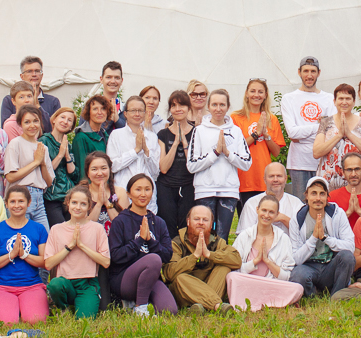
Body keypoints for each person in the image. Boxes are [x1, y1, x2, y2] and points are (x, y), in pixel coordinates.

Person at [106, 175, 178, 315]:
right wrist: (139, 241)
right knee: (153, 259)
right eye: (138, 189)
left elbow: (167, 255)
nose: (143, 194)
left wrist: (150, 241)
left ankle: (139, 302)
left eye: (147, 189)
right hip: (124, 279)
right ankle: (141, 308)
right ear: (129, 194)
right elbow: (116, 256)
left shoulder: (158, 222)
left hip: (151, 279)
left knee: (170, 311)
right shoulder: (120, 221)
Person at [187, 88, 252, 241]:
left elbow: (246, 163)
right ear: (208, 106)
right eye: (214, 105)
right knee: (204, 236)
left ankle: (220, 257)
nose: (218, 109)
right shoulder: (199, 131)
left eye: (222, 105)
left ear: (228, 107)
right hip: (205, 190)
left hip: (229, 191)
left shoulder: (236, 131)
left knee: (222, 237)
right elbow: (191, 165)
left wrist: (228, 153)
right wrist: (215, 153)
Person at [43, 187, 113, 318]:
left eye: (83, 204)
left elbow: (105, 262)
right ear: (68, 203)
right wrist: (70, 246)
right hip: (65, 281)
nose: (78, 207)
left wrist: (81, 245)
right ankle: (63, 308)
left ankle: (83, 303)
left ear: (89, 206)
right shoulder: (56, 229)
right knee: (55, 285)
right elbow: (48, 264)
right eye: (74, 202)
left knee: (84, 320)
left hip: (87, 284)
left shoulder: (97, 228)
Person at [0, 185, 50, 325]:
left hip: (31, 285)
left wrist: (25, 255)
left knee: (35, 321)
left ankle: (25, 308)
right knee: (5, 323)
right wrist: (11, 255)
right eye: (12, 201)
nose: (16, 205)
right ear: (6, 204)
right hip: (1, 286)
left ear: (29, 202)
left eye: (21, 201)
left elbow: (45, 262)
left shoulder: (39, 229)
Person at [227, 196, 305, 311]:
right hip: (248, 282)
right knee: (232, 277)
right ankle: (272, 302)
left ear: (277, 214)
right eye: (264, 210)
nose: (266, 215)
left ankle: (254, 300)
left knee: (297, 288)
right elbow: (235, 268)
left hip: (271, 283)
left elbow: (286, 276)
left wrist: (268, 262)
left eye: (271, 212)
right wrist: (255, 261)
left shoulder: (283, 238)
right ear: (257, 209)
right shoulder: (245, 236)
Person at [164, 205, 242, 310]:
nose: (201, 222)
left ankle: (201, 307)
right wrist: (194, 256)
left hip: (210, 283)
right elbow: (169, 273)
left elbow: (237, 260)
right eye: (196, 219)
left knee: (224, 267)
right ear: (188, 222)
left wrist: (209, 254)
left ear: (211, 224)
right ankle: (217, 305)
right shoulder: (177, 243)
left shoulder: (217, 242)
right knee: (180, 278)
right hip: (187, 289)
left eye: (205, 220)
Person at [290, 177, 358, 298]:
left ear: (327, 197)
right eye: (313, 193)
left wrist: (325, 238)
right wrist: (313, 238)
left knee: (347, 257)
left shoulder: (337, 214)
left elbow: (350, 247)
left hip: (330, 266)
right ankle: (313, 295)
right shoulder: (297, 219)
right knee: (298, 275)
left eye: (322, 194)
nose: (318, 198)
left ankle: (337, 295)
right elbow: (296, 259)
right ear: (306, 196)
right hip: (308, 266)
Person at [282, 56, 336, 194]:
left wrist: (301, 137)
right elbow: (292, 133)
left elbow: (332, 133)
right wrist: (321, 126)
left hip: (324, 161)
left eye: (313, 71)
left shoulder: (329, 98)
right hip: (299, 163)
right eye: (306, 71)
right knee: (301, 203)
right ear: (299, 72)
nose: (309, 75)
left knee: (324, 201)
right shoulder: (289, 98)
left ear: (319, 73)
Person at [232, 78, 287, 202]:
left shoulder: (272, 119)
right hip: (243, 178)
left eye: (260, 92)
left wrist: (266, 135)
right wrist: (256, 133)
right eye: (252, 91)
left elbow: (276, 152)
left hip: (264, 178)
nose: (256, 95)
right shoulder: (236, 117)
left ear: (265, 95)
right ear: (246, 93)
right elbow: (235, 148)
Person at [105, 96, 162, 214]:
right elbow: (112, 166)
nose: (137, 114)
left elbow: (155, 171)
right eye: (133, 110)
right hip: (124, 192)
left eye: (140, 111)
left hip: (147, 195)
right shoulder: (116, 135)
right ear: (125, 114)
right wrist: (135, 151)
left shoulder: (151, 136)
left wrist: (146, 151)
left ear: (145, 113)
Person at [316, 82, 361, 187]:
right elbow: (316, 152)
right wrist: (339, 135)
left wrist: (349, 134)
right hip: (330, 182)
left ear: (354, 102)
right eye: (341, 99)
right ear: (334, 101)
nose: (344, 102)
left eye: (348, 99)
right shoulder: (326, 123)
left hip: (356, 182)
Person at [155, 91, 196, 237]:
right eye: (174, 105)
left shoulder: (196, 133)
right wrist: (175, 143)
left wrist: (185, 144)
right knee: (168, 227)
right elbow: (163, 168)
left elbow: (193, 167)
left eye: (182, 105)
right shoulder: (162, 134)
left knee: (187, 227)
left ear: (188, 108)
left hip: (189, 185)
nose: (178, 109)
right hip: (166, 186)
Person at [3, 106, 54, 209]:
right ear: (20, 124)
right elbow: (10, 177)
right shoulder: (15, 144)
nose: (32, 125)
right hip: (20, 195)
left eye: (35, 121)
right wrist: (35, 162)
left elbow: (49, 182)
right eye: (27, 122)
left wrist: (42, 164)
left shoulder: (43, 147)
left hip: (39, 197)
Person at [39, 106, 82, 226]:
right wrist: (60, 154)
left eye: (69, 120)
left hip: (68, 196)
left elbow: (74, 175)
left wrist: (67, 157)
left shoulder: (68, 145)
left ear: (71, 126)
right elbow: (45, 171)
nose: (65, 121)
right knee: (60, 229)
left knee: (73, 229)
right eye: (62, 117)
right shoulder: (44, 141)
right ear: (54, 119)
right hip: (52, 196)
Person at [237, 162, 301, 232]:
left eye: (279, 176)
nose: (275, 180)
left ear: (285, 179)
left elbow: (302, 233)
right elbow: (244, 233)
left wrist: (283, 218)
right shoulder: (252, 203)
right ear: (264, 179)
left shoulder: (296, 203)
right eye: (271, 176)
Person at [1, 55, 61, 126]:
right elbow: (7, 127)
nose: (34, 74)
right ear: (22, 76)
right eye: (29, 71)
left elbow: (54, 128)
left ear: (42, 75)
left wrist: (38, 106)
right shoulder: (10, 100)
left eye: (37, 71)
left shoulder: (53, 102)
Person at [80, 151, 127, 226]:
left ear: (109, 170)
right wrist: (99, 204)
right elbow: (84, 227)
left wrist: (107, 202)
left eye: (103, 168)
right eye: (94, 169)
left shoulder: (120, 192)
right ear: (88, 173)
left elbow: (124, 225)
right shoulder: (81, 194)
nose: (99, 173)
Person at [333, 152, 361, 232]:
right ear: (343, 172)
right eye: (349, 170)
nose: (353, 174)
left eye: (357, 169)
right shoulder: (333, 197)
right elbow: (330, 229)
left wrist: (359, 211)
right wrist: (349, 212)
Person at [73, 95, 115, 163]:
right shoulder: (81, 138)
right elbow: (82, 167)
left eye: (103, 108)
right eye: (95, 109)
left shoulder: (105, 136)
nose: (100, 112)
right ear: (88, 112)